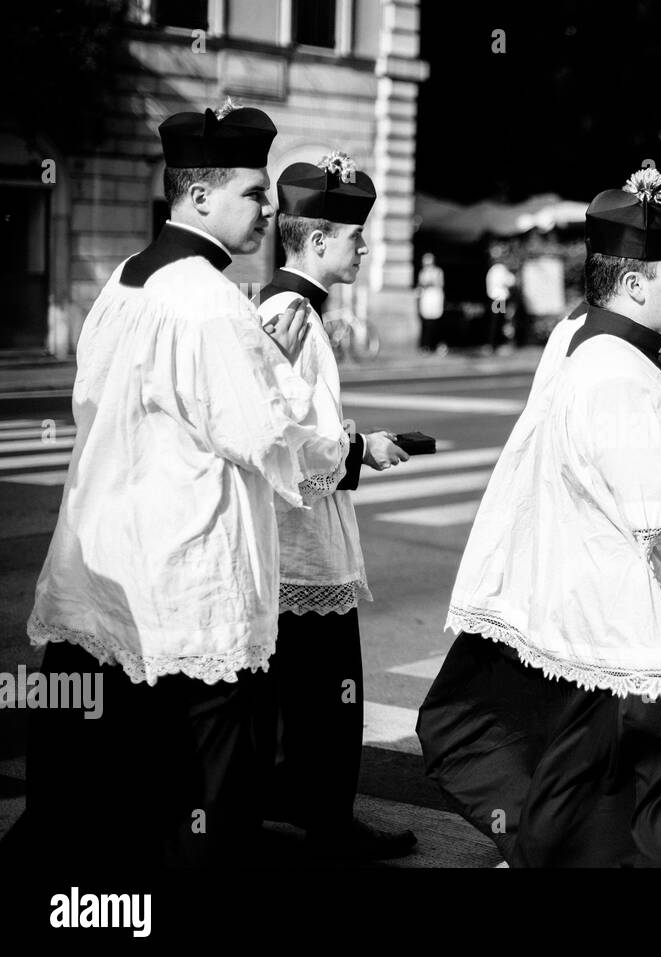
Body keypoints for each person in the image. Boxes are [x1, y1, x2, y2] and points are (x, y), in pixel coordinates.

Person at [416, 162, 661, 867]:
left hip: (627, 629)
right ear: (637, 282)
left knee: (607, 810)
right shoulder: (614, 370)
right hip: (642, 634)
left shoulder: (611, 347)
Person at [21, 102, 353, 866]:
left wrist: (256, 362)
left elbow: (94, 399)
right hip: (188, 587)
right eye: (255, 192)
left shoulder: (126, 281)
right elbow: (273, 439)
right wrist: (279, 372)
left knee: (100, 796)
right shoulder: (210, 303)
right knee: (202, 803)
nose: (270, 208)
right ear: (200, 196)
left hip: (105, 567)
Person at [255, 151, 416, 860]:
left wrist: (350, 441)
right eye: (355, 236)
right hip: (301, 547)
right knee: (330, 694)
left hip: (293, 543)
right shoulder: (292, 313)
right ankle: (327, 824)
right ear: (317, 241)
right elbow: (296, 443)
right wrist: (358, 451)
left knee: (301, 694)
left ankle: (302, 809)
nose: (364, 247)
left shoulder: (290, 309)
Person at [485, 243, 517, 354]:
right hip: (499, 299)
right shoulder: (499, 269)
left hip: (496, 298)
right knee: (497, 321)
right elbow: (509, 281)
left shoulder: (493, 269)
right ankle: (494, 344)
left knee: (496, 321)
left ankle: (494, 344)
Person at [417, 252, 447, 355]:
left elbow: (439, 284)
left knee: (435, 325)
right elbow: (421, 285)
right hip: (426, 301)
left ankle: (435, 345)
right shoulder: (422, 273)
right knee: (426, 324)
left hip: (435, 300)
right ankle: (425, 346)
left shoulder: (438, 272)